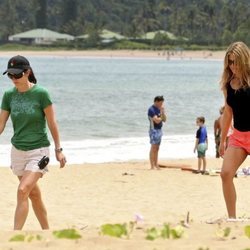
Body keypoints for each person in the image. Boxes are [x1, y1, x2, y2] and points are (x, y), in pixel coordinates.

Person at [0, 55, 66, 230]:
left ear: (27, 72)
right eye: (10, 75)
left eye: (17, 75)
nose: (13, 79)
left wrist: (59, 149)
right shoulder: (8, 95)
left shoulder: (41, 94)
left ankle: (14, 237)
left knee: (22, 191)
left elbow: (52, 123)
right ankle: (47, 231)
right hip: (18, 151)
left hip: (39, 151)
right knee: (33, 194)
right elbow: (1, 124)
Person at [219, 41, 250, 220]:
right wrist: (223, 140)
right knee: (225, 174)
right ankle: (232, 219)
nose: (233, 66)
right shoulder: (229, 84)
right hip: (238, 136)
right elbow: (228, 112)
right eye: (230, 62)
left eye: (236, 61)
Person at [147, 96, 167, 170]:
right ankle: (152, 166)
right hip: (153, 130)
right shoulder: (151, 109)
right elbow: (157, 120)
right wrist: (161, 116)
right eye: (160, 103)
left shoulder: (159, 109)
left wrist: (162, 112)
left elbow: (164, 120)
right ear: (156, 101)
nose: (161, 104)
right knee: (153, 147)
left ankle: (156, 164)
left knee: (157, 148)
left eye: (162, 103)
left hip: (159, 129)